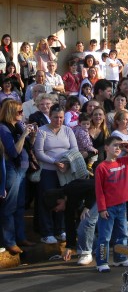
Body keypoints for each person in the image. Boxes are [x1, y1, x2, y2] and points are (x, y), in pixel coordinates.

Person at [95, 136, 128, 272]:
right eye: (114, 145)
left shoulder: (125, 162)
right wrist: (102, 208)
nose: (118, 148)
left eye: (119, 146)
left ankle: (120, 258)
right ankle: (101, 262)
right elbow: (99, 191)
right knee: (105, 236)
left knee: (122, 234)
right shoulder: (101, 167)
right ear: (106, 148)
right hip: (108, 208)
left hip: (122, 206)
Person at [34, 103, 78, 244]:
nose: (58, 120)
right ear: (50, 116)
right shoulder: (42, 131)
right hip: (48, 170)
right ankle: (47, 232)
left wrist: (66, 162)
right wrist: (54, 161)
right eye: (55, 117)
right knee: (46, 200)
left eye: (60, 117)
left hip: (65, 171)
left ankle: (60, 230)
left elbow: (74, 148)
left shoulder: (67, 130)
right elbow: (39, 152)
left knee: (63, 199)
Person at [0, 100, 37, 254]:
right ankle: (9, 241)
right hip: (13, 170)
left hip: (22, 170)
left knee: (20, 206)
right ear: (10, 112)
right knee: (10, 207)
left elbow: (28, 146)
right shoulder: (3, 128)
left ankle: (20, 237)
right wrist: (24, 135)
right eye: (19, 112)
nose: (22, 114)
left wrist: (32, 136)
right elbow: (14, 152)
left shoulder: (18, 126)